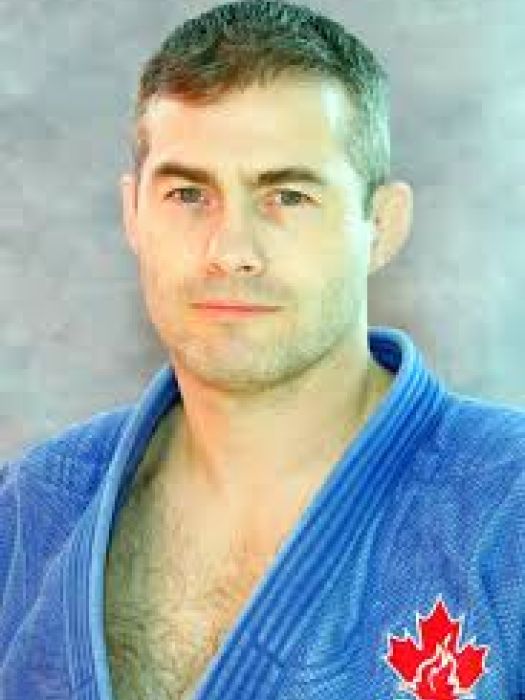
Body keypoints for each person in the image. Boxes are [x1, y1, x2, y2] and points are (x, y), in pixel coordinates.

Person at [1, 1, 524, 698]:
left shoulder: (505, 509)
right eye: (188, 193)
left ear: (381, 224)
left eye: (287, 196)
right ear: (133, 215)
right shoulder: (30, 511)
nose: (231, 250)